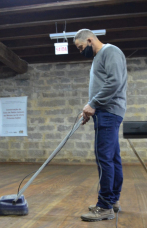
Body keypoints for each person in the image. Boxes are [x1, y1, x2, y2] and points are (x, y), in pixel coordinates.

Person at [73, 29, 127, 222]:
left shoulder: (110, 51)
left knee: (104, 159)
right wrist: (89, 109)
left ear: (89, 40)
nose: (81, 52)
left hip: (108, 111)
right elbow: (104, 85)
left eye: (81, 47)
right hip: (104, 111)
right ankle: (112, 200)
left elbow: (114, 82)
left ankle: (104, 206)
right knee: (112, 158)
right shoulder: (99, 58)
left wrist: (93, 104)